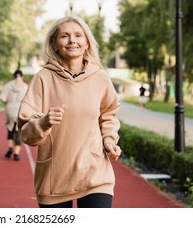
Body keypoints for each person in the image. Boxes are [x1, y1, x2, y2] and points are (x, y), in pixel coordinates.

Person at [18, 15, 122, 208]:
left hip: (96, 175)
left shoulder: (100, 78)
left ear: (87, 43)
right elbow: (26, 133)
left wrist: (109, 140)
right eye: (65, 36)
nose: (72, 40)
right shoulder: (43, 79)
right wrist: (43, 122)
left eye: (78, 35)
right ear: (55, 44)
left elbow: (109, 115)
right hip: (54, 179)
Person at [0, 69, 28, 161]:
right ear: (22, 76)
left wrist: (8, 104)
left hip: (10, 109)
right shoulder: (25, 87)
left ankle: (10, 148)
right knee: (18, 132)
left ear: (14, 76)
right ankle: (16, 153)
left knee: (10, 131)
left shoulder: (8, 85)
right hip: (20, 110)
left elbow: (2, 98)